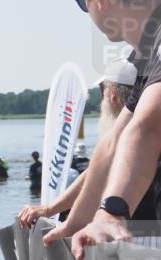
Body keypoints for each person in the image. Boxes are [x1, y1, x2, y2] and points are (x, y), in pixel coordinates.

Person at [38, 0, 161, 256]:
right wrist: (72, 223)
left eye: (83, 1)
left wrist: (112, 212)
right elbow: (112, 145)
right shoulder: (147, 51)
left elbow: (147, 129)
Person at [19, 59, 146, 228]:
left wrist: (50, 209)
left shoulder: (131, 133)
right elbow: (95, 173)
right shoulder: (148, 122)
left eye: (102, 91)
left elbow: (96, 175)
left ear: (113, 95)